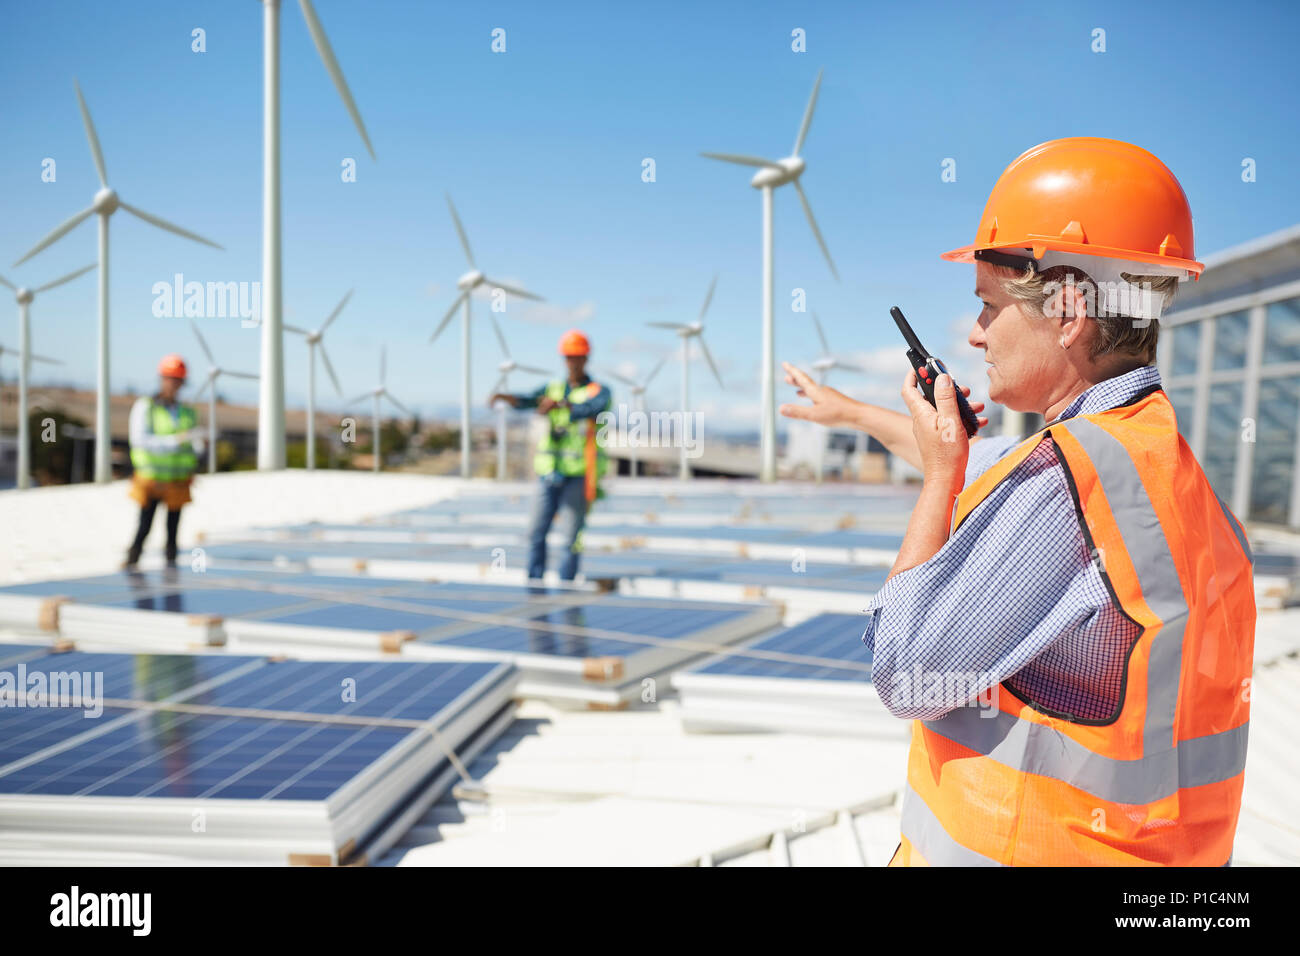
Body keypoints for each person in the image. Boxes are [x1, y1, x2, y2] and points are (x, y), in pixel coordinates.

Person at [781, 137, 1254, 866]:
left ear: (1068, 312)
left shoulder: (1066, 484)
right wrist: (851, 414)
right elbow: (987, 463)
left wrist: (940, 483)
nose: (973, 336)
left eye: (988, 307)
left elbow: (905, 672)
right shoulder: (1152, 459)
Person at [489, 329, 611, 582]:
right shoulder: (553, 387)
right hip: (548, 473)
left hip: (578, 475)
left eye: (576, 357)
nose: (572, 362)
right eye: (568, 357)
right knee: (535, 533)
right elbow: (529, 400)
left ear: (586, 359)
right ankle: (535, 587)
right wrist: (507, 398)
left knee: (570, 538)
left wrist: (563, 405)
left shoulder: (599, 391)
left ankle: (566, 588)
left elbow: (592, 409)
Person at [124, 354, 203, 569]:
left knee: (173, 530)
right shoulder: (146, 406)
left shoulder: (186, 411)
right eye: (170, 379)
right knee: (144, 527)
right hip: (151, 479)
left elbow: (192, 447)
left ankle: (171, 567)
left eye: (178, 380)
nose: (173, 384)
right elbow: (139, 440)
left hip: (178, 479)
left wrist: (196, 447)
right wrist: (174, 441)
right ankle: (132, 562)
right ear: (161, 379)